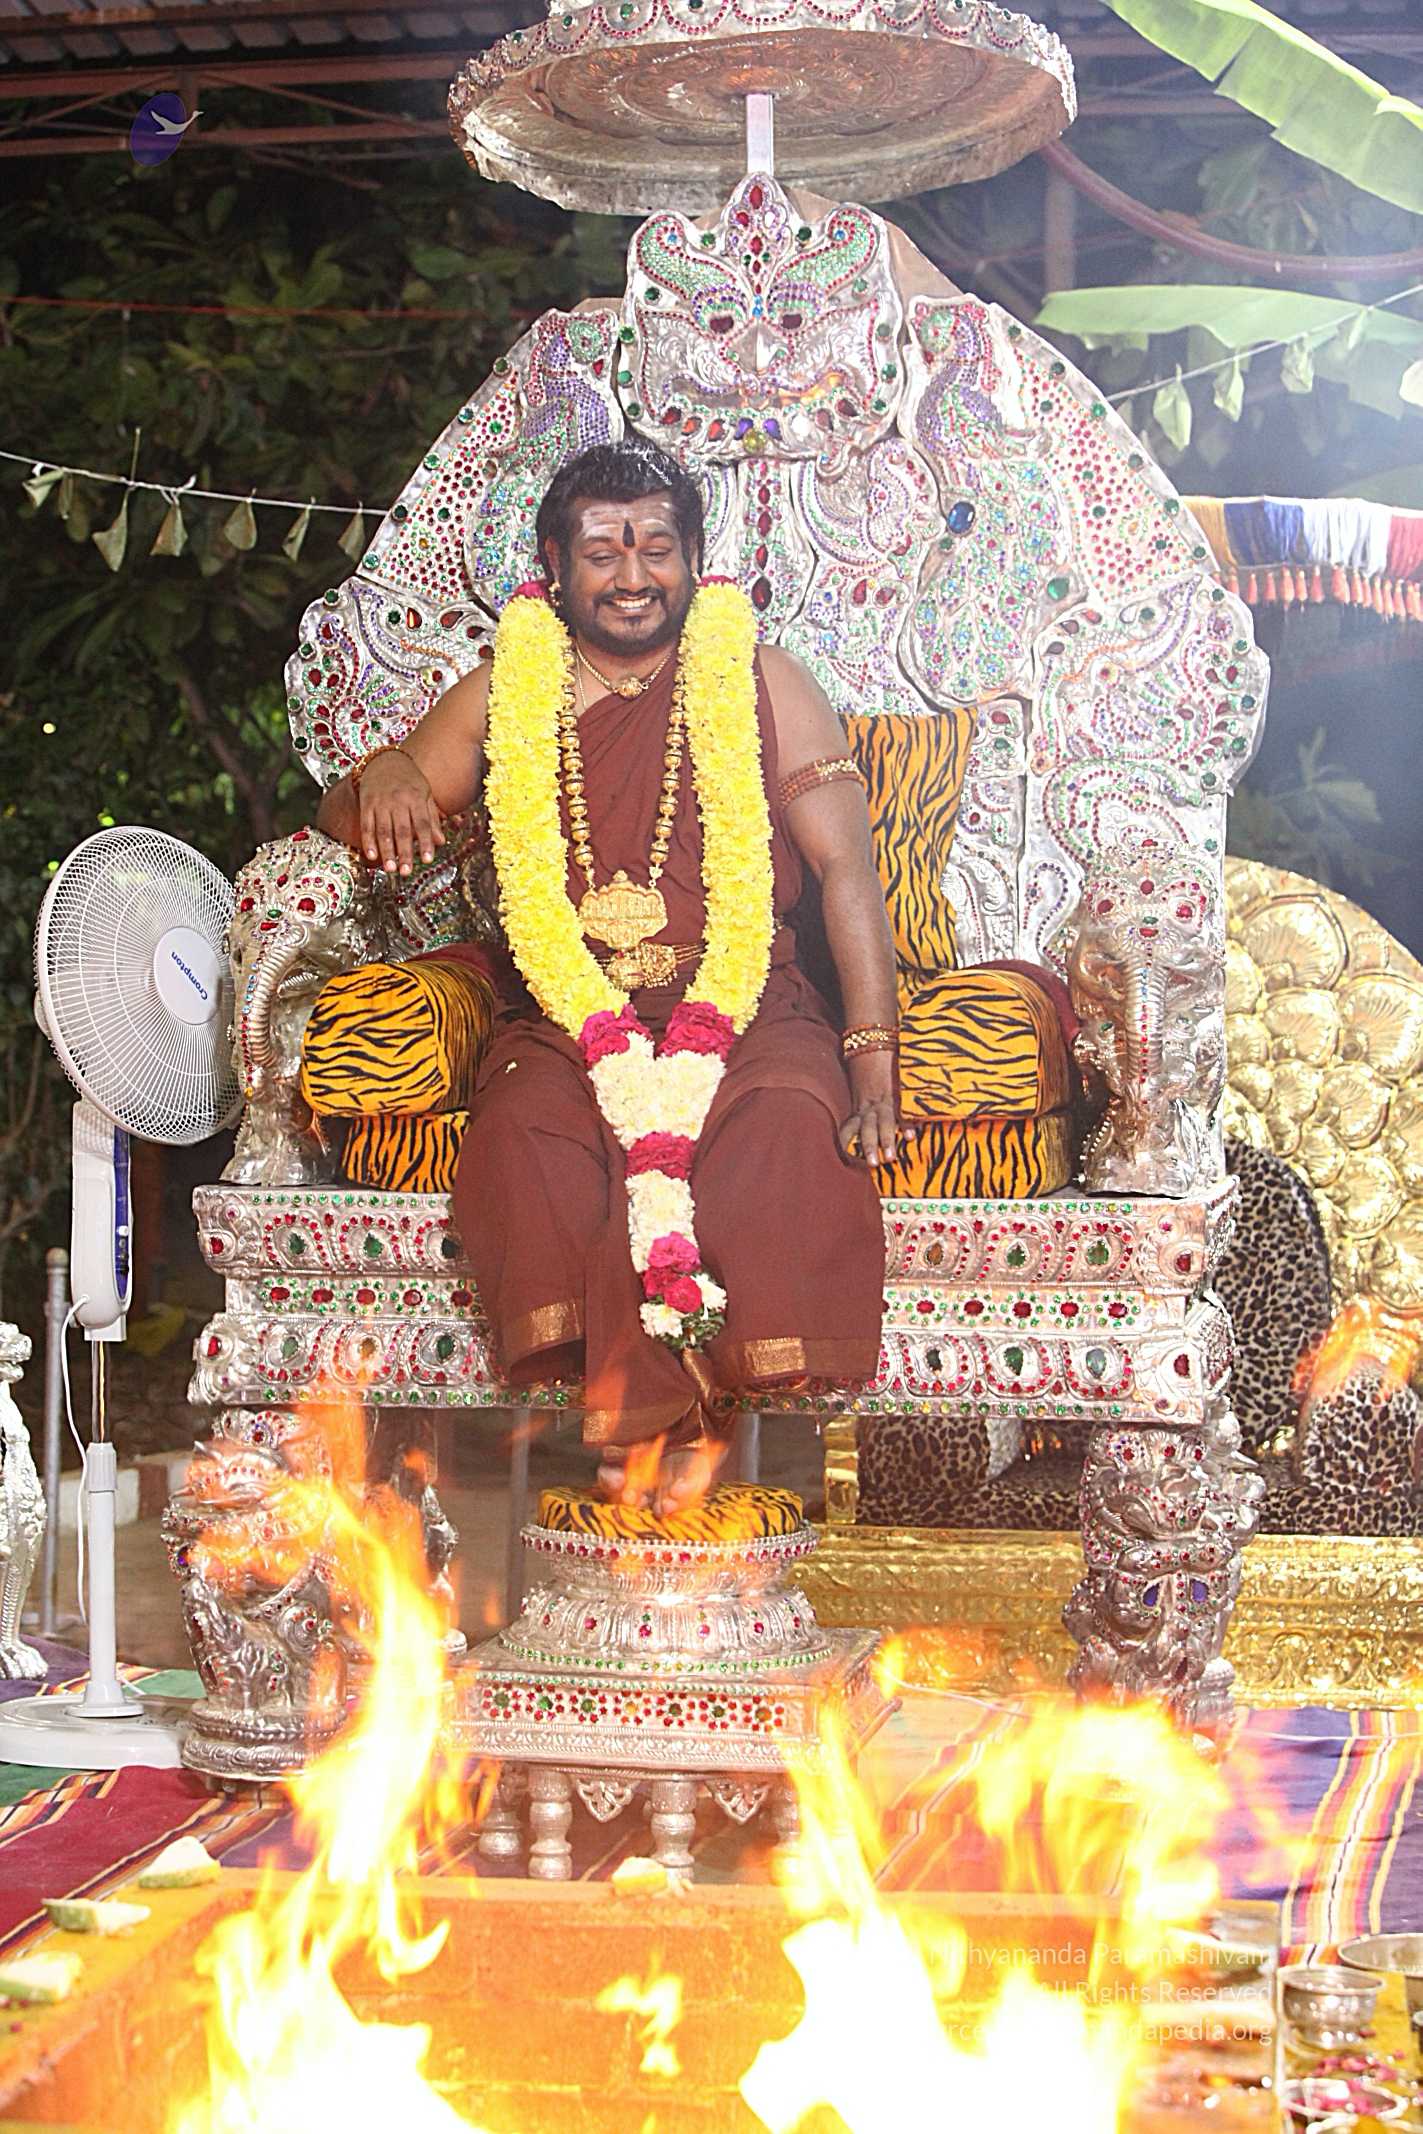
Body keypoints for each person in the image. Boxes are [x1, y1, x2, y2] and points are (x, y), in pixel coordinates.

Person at [318, 439, 898, 1513]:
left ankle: (666, 1430)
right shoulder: (511, 690)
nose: (632, 575)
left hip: (746, 1008)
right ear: (554, 564)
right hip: (567, 1016)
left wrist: (872, 1055)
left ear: (693, 559)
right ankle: (658, 1426)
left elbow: (846, 871)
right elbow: (350, 817)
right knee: (527, 1136)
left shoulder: (762, 679)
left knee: (781, 1123)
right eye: (601, 551)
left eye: (655, 547)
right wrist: (389, 769)